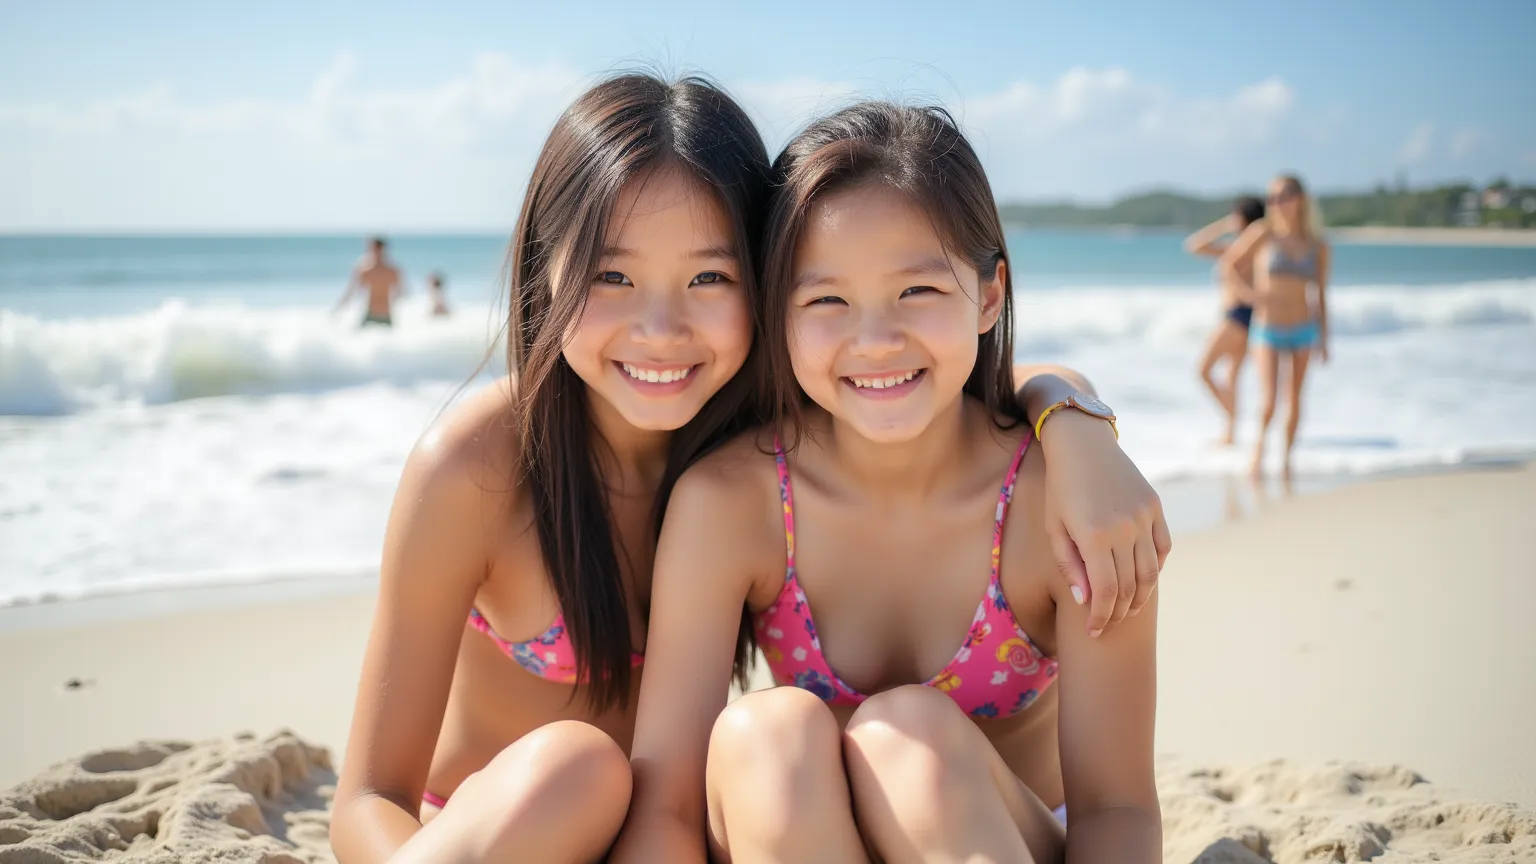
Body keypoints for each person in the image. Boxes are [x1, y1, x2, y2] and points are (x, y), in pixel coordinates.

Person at [328, 75, 1165, 864]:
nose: (662, 328)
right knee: (608, 762)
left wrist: (1076, 421)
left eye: (709, 277)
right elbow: (369, 793)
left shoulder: (1056, 501)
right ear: (547, 275)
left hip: (949, 827)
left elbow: (933, 375)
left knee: (886, 737)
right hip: (510, 828)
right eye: (612, 274)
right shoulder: (502, 470)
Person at [615, 103, 1162, 864]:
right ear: (778, 312)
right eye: (827, 300)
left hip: (997, 842)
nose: (874, 342)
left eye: (919, 293)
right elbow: (667, 811)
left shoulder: (1070, 506)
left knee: (909, 741)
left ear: (991, 296)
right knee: (762, 735)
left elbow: (1118, 810)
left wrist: (1076, 421)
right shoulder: (733, 503)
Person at [1219, 174, 1331, 479]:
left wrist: (1325, 337)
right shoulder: (1262, 233)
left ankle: (1286, 460)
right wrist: (1249, 296)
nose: (1276, 204)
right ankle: (1258, 455)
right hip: (1267, 329)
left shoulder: (1316, 244)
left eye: (1282, 196)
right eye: (1271, 198)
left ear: (1299, 200)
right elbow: (1227, 266)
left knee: (1295, 398)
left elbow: (1320, 294)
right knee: (1268, 401)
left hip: (1303, 329)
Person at [1184, 196, 1266, 445]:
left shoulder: (1243, 251)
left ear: (1242, 218)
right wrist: (1227, 227)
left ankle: (1231, 422)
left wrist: (1225, 226)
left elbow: (1193, 245)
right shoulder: (1244, 248)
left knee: (1204, 370)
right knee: (1231, 376)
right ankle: (1230, 433)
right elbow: (1195, 246)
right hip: (1247, 316)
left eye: (1235, 216)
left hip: (1238, 315)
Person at [335, 237, 404, 327]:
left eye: (375, 248)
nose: (373, 252)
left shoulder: (392, 271)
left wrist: (396, 302)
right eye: (371, 249)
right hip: (370, 313)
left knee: (389, 340)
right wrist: (339, 309)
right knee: (359, 339)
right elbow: (351, 291)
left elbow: (401, 292)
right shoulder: (365, 270)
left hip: (386, 314)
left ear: (382, 249)